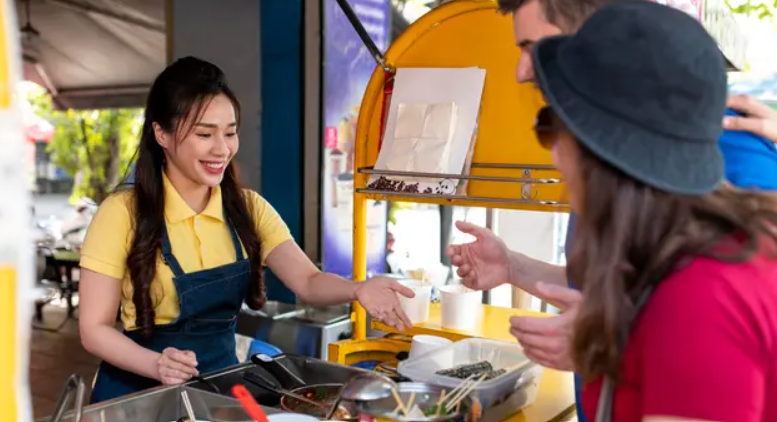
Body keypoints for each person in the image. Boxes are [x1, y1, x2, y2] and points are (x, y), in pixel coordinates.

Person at [448, 0, 777, 420]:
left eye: (551, 126)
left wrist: (610, 342)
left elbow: (715, 324)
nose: (551, 155)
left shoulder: (700, 289)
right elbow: (620, 286)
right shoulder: (651, 212)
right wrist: (514, 267)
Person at [79, 57, 415, 403]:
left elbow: (308, 282)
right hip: (138, 394)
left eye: (230, 132)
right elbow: (93, 329)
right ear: (161, 133)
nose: (222, 149)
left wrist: (358, 289)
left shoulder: (248, 209)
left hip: (219, 390)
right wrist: (156, 364)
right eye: (204, 134)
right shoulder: (122, 213)